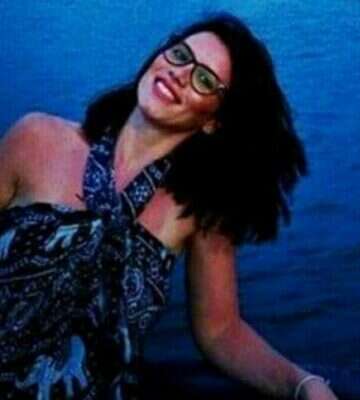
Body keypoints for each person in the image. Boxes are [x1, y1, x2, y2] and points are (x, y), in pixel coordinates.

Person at [0, 13, 338, 400]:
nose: (180, 73)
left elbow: (221, 332)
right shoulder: (36, 138)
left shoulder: (197, 211)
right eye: (180, 55)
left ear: (213, 121)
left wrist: (302, 384)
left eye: (204, 79)